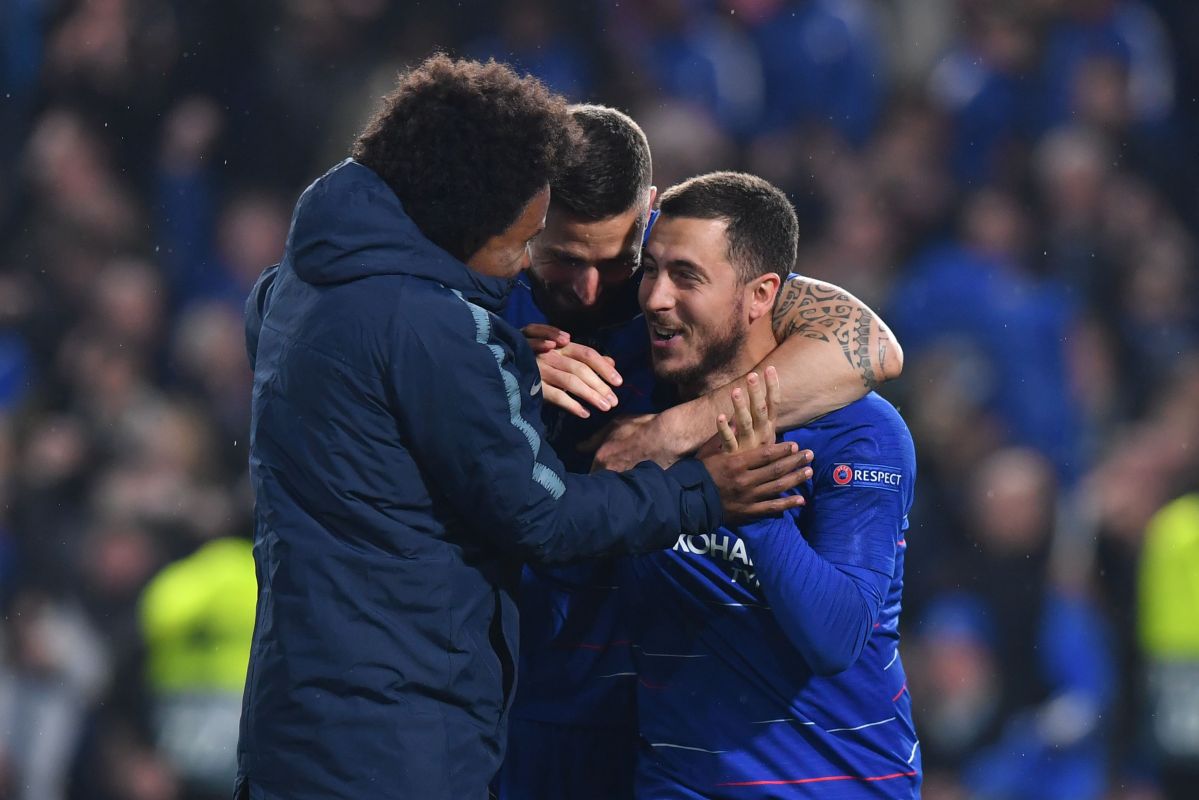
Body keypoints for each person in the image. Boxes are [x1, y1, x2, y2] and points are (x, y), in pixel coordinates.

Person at [234, 57, 811, 800]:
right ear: (464, 214)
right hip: (397, 729)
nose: (516, 270)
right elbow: (542, 516)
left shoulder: (296, 284)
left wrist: (508, 371)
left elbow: (872, 346)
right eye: (526, 244)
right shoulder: (436, 323)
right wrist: (699, 491)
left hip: (301, 712)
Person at [497, 106, 905, 799]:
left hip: (802, 771)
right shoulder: (483, 299)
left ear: (645, 216)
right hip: (563, 721)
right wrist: (497, 374)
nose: (598, 291)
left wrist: (675, 436)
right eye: (564, 258)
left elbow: (873, 345)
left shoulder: (847, 423)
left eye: (619, 263)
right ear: (526, 219)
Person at [626, 172, 919, 798]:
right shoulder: (636, 408)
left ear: (761, 295)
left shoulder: (858, 430)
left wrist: (755, 508)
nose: (655, 297)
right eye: (650, 271)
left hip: (834, 784)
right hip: (677, 781)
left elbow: (836, 637)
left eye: (686, 276)